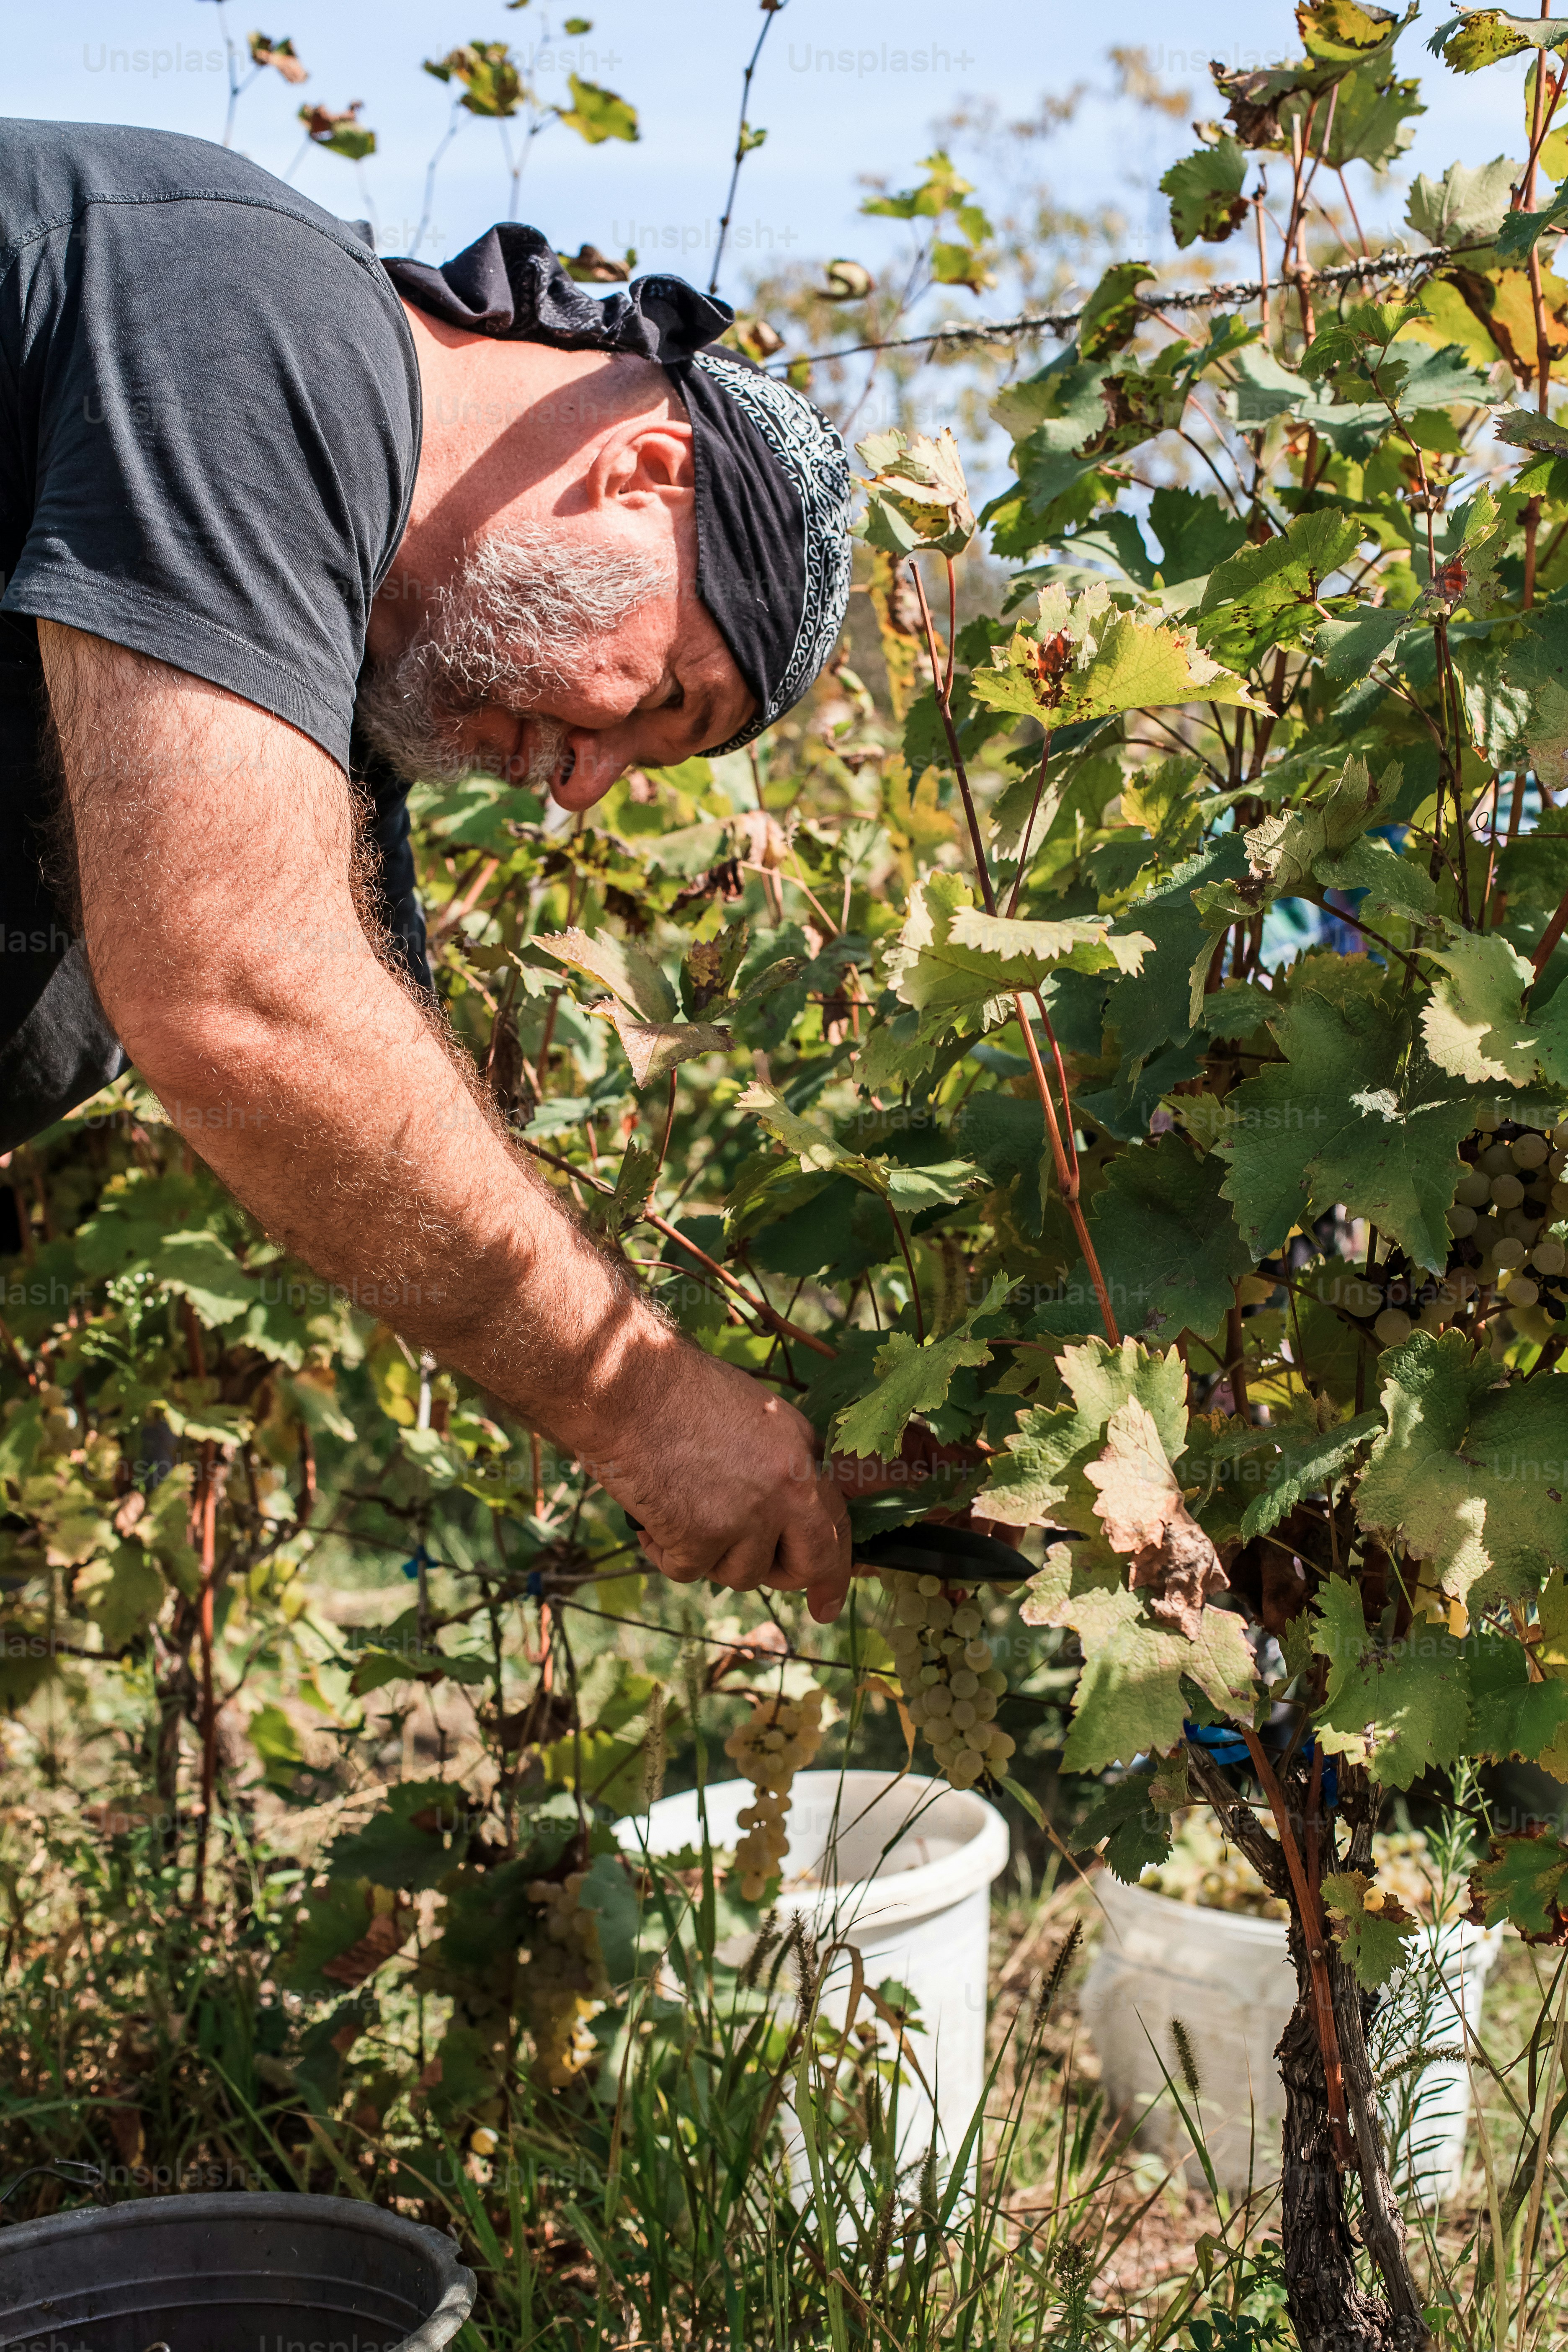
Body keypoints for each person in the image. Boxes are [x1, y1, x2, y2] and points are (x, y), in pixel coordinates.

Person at [0, 120, 855, 1619]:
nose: (587, 786)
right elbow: (243, 999)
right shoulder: (256, 318)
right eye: (663, 700)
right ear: (642, 472)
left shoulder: (334, 699)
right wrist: (643, 1400)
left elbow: (365, 1120)